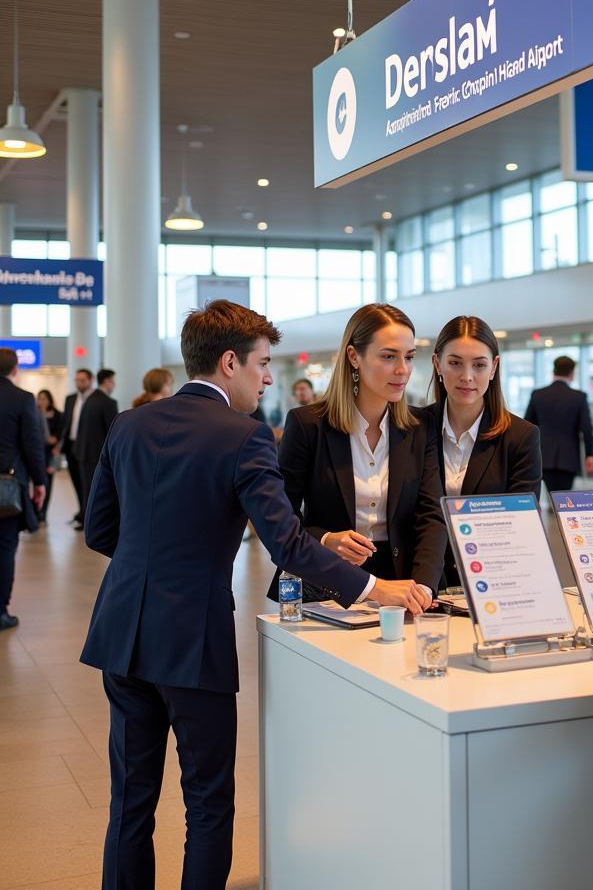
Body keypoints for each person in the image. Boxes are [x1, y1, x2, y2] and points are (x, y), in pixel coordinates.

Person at [80, 299, 427, 890]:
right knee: (209, 804)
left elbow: (100, 531)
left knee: (130, 801)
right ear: (229, 363)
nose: (268, 378)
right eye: (263, 364)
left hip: (120, 633)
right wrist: (373, 588)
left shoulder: (129, 424)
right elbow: (287, 543)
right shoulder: (244, 438)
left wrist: (155, 565)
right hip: (193, 640)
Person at [268, 303, 448, 603]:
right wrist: (326, 539)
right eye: (389, 356)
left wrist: (425, 587)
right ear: (354, 356)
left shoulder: (420, 426)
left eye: (409, 357)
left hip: (404, 582)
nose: (402, 369)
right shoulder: (308, 424)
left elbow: (431, 514)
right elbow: (281, 516)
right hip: (329, 581)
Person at [427, 315, 541, 586]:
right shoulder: (414, 428)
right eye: (455, 363)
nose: (467, 376)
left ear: (494, 367)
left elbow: (520, 525)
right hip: (419, 584)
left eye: (479, 365)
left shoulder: (520, 437)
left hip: (492, 581)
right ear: (437, 364)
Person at [0, 349, 47, 631]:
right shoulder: (22, 399)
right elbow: (32, 445)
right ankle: (1, 611)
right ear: (15, 370)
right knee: (5, 549)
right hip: (7, 487)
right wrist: (39, 482)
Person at [524, 355, 593, 494]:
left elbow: (527, 425)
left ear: (554, 371)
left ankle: (553, 510)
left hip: (543, 455)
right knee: (564, 497)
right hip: (569, 458)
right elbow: (586, 428)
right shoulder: (579, 397)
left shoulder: (538, 394)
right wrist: (590, 454)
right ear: (572, 373)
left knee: (551, 494)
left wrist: (526, 454)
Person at [74, 367, 118, 529]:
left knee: (87, 490)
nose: (115, 385)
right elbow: (113, 432)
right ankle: (94, 523)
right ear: (107, 381)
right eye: (113, 381)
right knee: (98, 492)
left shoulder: (90, 399)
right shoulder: (108, 402)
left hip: (84, 453)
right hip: (97, 454)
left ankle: (86, 520)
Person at [60, 367, 95, 526]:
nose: (79, 383)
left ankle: (86, 516)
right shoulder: (70, 399)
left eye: (82, 380)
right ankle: (81, 512)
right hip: (71, 446)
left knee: (86, 483)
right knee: (76, 482)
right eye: (77, 380)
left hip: (87, 448)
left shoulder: (95, 400)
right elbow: (66, 423)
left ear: (90, 381)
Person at [35, 389, 64, 523]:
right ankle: (36, 511)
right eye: (40, 398)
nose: (42, 401)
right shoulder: (34, 413)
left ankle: (43, 513)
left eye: (45, 398)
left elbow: (62, 433)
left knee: (47, 483)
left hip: (51, 453)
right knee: (37, 482)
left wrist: (56, 442)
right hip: (37, 452)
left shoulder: (57, 415)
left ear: (50, 400)